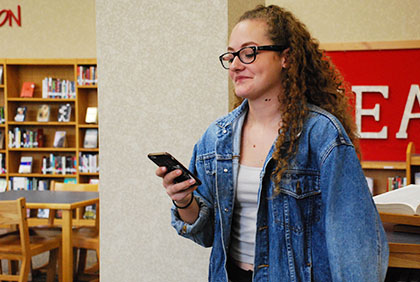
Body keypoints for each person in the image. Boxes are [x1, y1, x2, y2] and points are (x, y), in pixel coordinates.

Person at [156, 4, 388, 282]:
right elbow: (206, 235)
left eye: (249, 52)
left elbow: (353, 241)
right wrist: (184, 201)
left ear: (286, 57)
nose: (236, 65)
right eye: (231, 55)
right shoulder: (216, 138)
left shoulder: (322, 135)